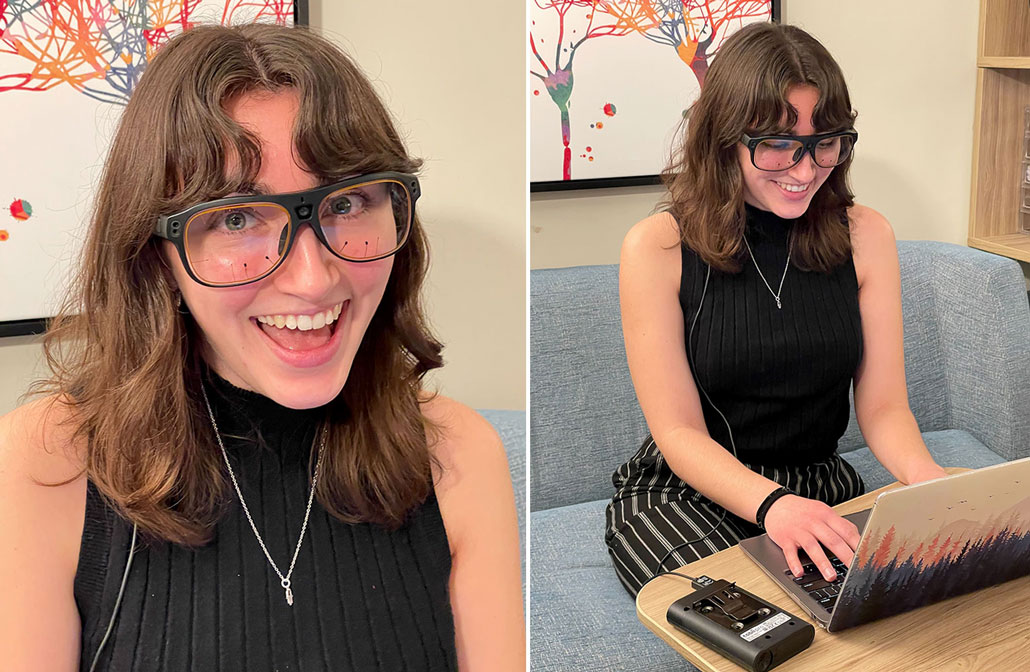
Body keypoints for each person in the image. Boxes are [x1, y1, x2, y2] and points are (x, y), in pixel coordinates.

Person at [0, 23, 523, 671]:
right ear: (153, 252)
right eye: (237, 218)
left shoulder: (459, 456)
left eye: (349, 201)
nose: (312, 279)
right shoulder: (46, 464)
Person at [605, 22, 949, 597]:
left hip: (817, 484)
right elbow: (678, 431)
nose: (807, 169)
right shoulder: (656, 247)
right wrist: (773, 505)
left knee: (889, 606)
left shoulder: (867, 236)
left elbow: (885, 407)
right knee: (757, 624)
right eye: (778, 144)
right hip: (686, 492)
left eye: (825, 142)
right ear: (724, 139)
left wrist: (927, 479)